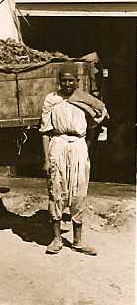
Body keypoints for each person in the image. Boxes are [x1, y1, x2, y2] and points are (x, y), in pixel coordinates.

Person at [40, 62, 108, 255]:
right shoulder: (51, 100)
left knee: (78, 192)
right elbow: (45, 132)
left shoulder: (86, 100)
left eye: (71, 80)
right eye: (64, 81)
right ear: (59, 82)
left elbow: (93, 127)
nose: (68, 84)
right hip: (58, 145)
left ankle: (78, 241)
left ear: (77, 81)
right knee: (56, 190)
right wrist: (46, 159)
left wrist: (85, 148)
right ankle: (56, 239)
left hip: (78, 147)